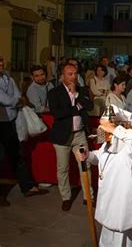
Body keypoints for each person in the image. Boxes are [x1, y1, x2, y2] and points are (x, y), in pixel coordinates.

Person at [76, 108, 132, 246]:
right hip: (109, 197)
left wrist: (113, 129)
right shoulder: (109, 143)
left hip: (123, 200)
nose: (102, 130)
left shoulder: (130, 147)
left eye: (105, 127)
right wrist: (88, 155)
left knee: (125, 237)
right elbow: (100, 156)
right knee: (108, 231)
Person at [0, 58, 48, 206]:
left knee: (17, 155)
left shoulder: (8, 78)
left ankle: (27, 187)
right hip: (1, 122)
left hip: (11, 121)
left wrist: (16, 100)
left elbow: (17, 95)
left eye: (1, 63)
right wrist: (16, 101)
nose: (1, 66)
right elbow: (6, 99)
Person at [47, 63, 94, 211]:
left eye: (75, 73)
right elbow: (57, 113)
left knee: (84, 166)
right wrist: (76, 107)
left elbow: (90, 106)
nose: (73, 77)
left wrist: (77, 96)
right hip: (62, 136)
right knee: (62, 168)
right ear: (62, 76)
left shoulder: (81, 90)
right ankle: (66, 197)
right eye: (70, 74)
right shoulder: (54, 93)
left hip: (79, 135)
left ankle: (89, 196)